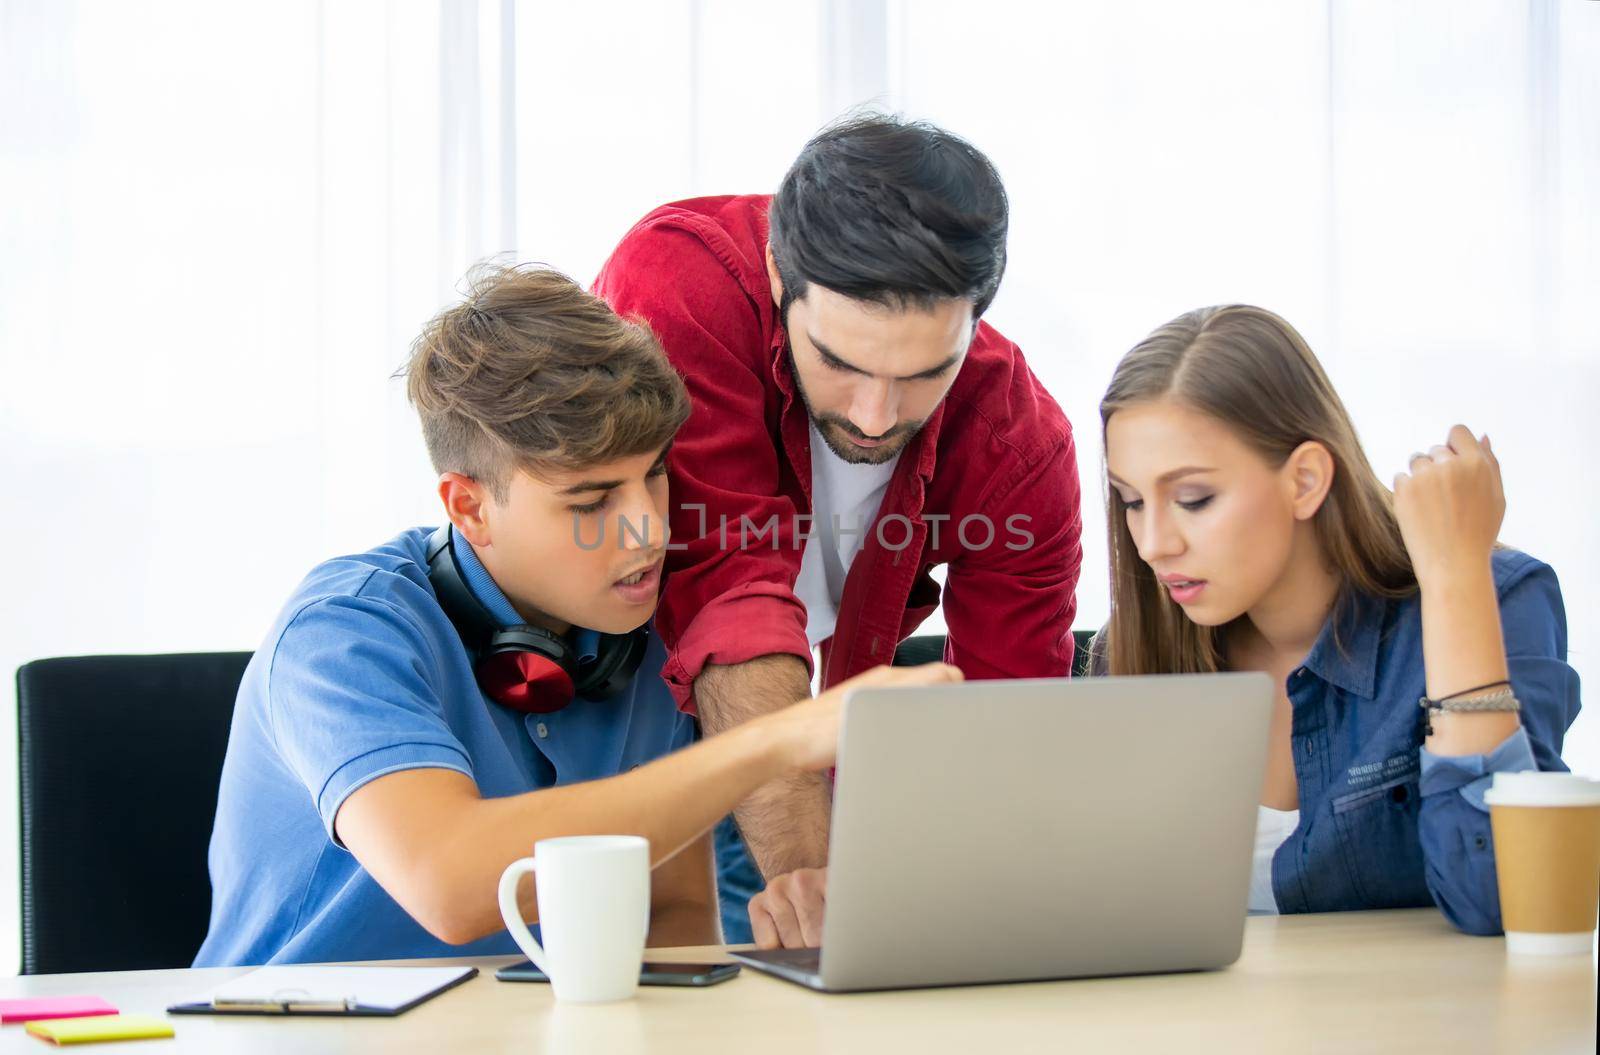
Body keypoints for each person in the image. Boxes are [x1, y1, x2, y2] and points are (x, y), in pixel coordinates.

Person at [194, 265, 959, 967]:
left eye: (654, 475)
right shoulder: (342, 635)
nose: (649, 531)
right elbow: (454, 883)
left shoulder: (645, 627)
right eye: (591, 501)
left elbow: (674, 907)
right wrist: (778, 737)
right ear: (470, 506)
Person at [593, 114, 1084, 947]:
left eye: (927, 372)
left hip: (816, 738)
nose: (874, 414)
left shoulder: (1019, 444)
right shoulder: (684, 281)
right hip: (636, 708)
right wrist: (816, 886)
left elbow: (1008, 720)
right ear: (782, 272)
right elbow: (728, 588)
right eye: (842, 362)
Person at [1092, 304, 1580, 933]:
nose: (1153, 543)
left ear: (1305, 481)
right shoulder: (1136, 648)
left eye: (1193, 499)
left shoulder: (1493, 598)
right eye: (1131, 501)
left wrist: (1456, 577)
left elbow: (1502, 899)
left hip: (1418, 1029)